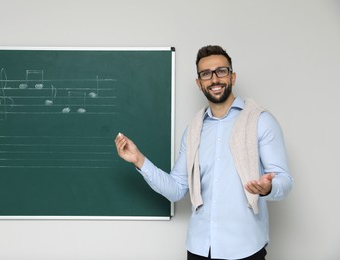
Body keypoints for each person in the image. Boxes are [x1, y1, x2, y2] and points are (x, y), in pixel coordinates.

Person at [115, 45, 293, 260]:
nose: (215, 79)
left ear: (233, 77)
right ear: (199, 83)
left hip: (246, 248)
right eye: (206, 74)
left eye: (221, 71)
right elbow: (177, 189)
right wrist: (139, 160)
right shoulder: (193, 129)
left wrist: (268, 188)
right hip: (199, 248)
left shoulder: (261, 121)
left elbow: (284, 181)